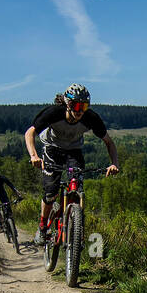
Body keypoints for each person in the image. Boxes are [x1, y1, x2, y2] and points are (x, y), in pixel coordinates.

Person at [23, 84, 119, 244]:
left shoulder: (91, 118)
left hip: (74, 150)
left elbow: (109, 142)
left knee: (77, 188)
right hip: (52, 148)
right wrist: (34, 156)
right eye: (76, 105)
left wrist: (114, 163)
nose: (80, 110)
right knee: (51, 192)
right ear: (67, 104)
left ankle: (76, 229)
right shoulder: (54, 113)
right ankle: (42, 227)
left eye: (84, 106)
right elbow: (30, 132)